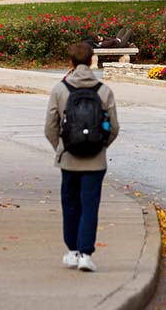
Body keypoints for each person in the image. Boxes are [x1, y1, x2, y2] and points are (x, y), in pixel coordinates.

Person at [44, 41, 119, 273]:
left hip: (68, 158)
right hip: (96, 161)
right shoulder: (104, 91)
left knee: (70, 204)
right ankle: (86, 253)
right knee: (89, 205)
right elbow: (114, 127)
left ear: (71, 63)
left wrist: (62, 147)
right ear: (91, 61)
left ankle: (73, 250)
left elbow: (50, 127)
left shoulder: (60, 89)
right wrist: (100, 146)